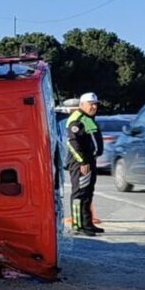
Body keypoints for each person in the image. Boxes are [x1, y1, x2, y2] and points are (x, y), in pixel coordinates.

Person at [65, 92, 105, 236]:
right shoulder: (78, 119)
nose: (94, 107)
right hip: (80, 163)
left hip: (89, 161)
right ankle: (78, 225)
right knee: (79, 193)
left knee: (88, 193)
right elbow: (72, 142)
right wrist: (82, 161)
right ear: (82, 105)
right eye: (91, 104)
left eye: (95, 104)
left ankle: (88, 224)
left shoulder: (89, 118)